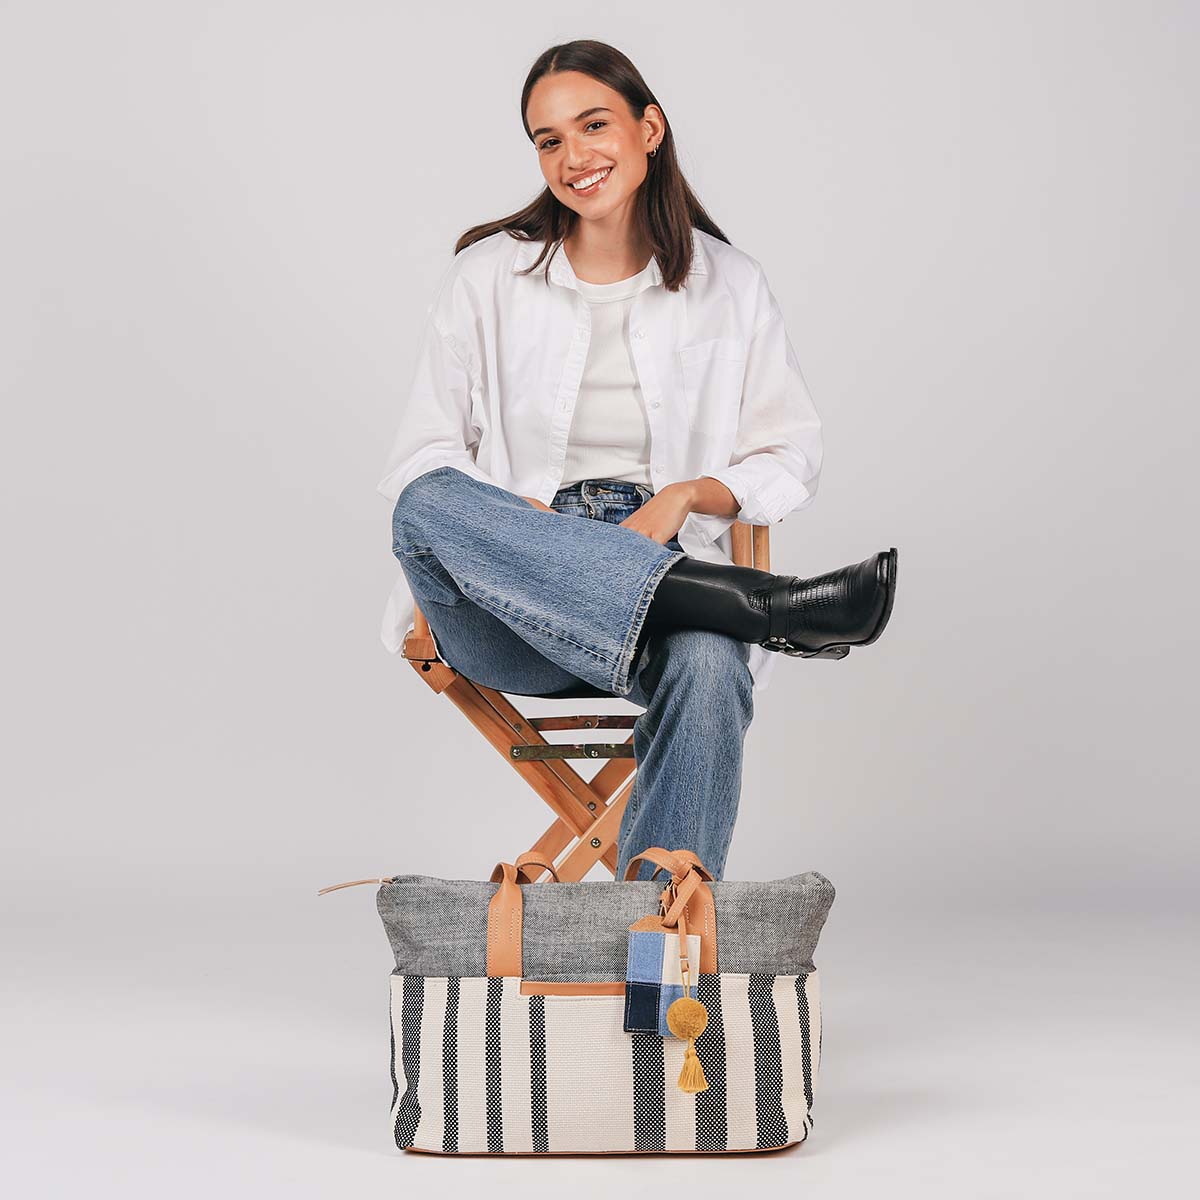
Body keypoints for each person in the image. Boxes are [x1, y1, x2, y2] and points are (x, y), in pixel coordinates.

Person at [377, 40, 898, 881]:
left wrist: (689, 494)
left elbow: (790, 447)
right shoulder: (486, 277)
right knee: (423, 502)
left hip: (665, 571)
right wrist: (524, 529)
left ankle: (662, 963)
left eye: (593, 126)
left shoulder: (730, 283)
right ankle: (758, 605)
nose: (573, 157)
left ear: (649, 127)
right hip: (510, 603)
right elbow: (423, 454)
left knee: (705, 662)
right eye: (548, 140)